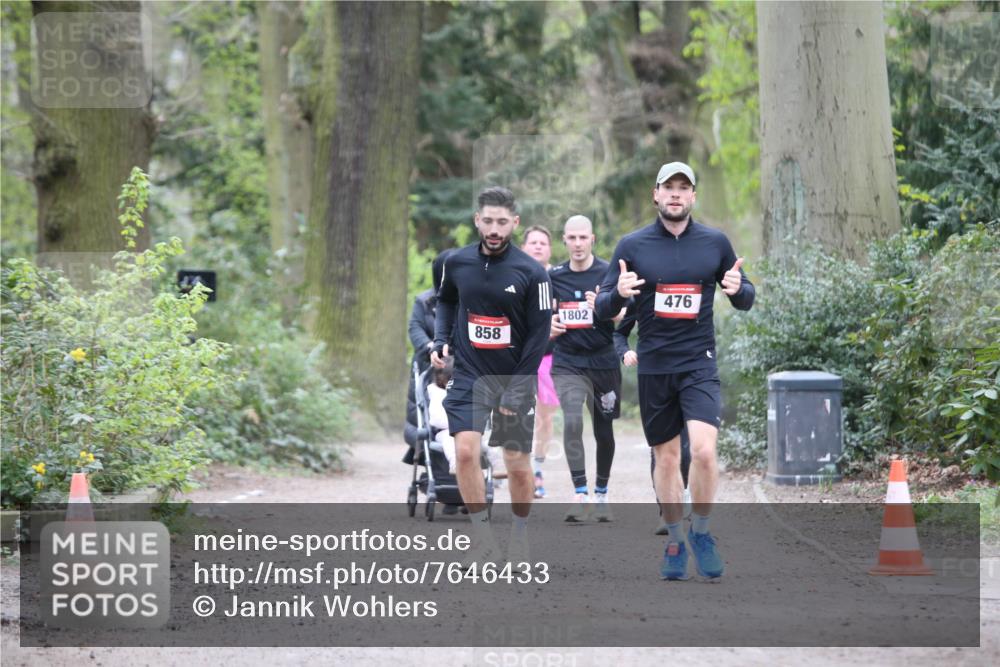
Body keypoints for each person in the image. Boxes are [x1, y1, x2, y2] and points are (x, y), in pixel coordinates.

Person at [594, 162, 755, 580]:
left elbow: (745, 296)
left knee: (703, 451)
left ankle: (701, 531)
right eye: (669, 187)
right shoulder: (633, 246)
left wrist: (740, 290)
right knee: (666, 459)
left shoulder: (714, 243)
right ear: (656, 194)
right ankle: (675, 539)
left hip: (698, 363)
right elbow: (602, 308)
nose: (676, 194)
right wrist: (618, 295)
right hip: (655, 368)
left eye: (684, 188)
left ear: (693, 196)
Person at [431, 186, 552, 564]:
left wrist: (520, 385)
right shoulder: (456, 262)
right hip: (469, 372)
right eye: (488, 221)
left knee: (516, 463)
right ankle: (483, 539)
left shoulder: (533, 273)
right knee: (466, 454)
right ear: (477, 221)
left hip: (512, 375)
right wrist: (440, 338)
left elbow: (539, 335)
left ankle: (519, 537)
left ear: (515, 222)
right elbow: (446, 300)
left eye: (502, 222)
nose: (495, 229)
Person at [549, 215, 624, 522]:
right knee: (571, 420)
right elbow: (540, 315)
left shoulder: (608, 273)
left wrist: (607, 309)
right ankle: (580, 495)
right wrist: (548, 326)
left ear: (592, 239)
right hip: (568, 360)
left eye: (583, 238)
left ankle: (601, 494)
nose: (578, 244)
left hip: (603, 360)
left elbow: (627, 315)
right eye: (572, 238)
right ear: (564, 240)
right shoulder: (553, 277)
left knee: (603, 430)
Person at [613, 308, 693, 532]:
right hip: (655, 377)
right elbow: (619, 333)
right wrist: (625, 352)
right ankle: (665, 512)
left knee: (685, 451)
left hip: (689, 375)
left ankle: (684, 493)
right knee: (660, 451)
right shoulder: (644, 295)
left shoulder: (693, 292)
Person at [521, 225, 559, 498]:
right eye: (532, 242)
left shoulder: (559, 278)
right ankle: (518, 466)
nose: (537, 246)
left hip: (549, 355)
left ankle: (537, 467)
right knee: (518, 413)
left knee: (545, 418)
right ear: (523, 248)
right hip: (519, 355)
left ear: (550, 249)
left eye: (542, 243)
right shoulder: (514, 275)